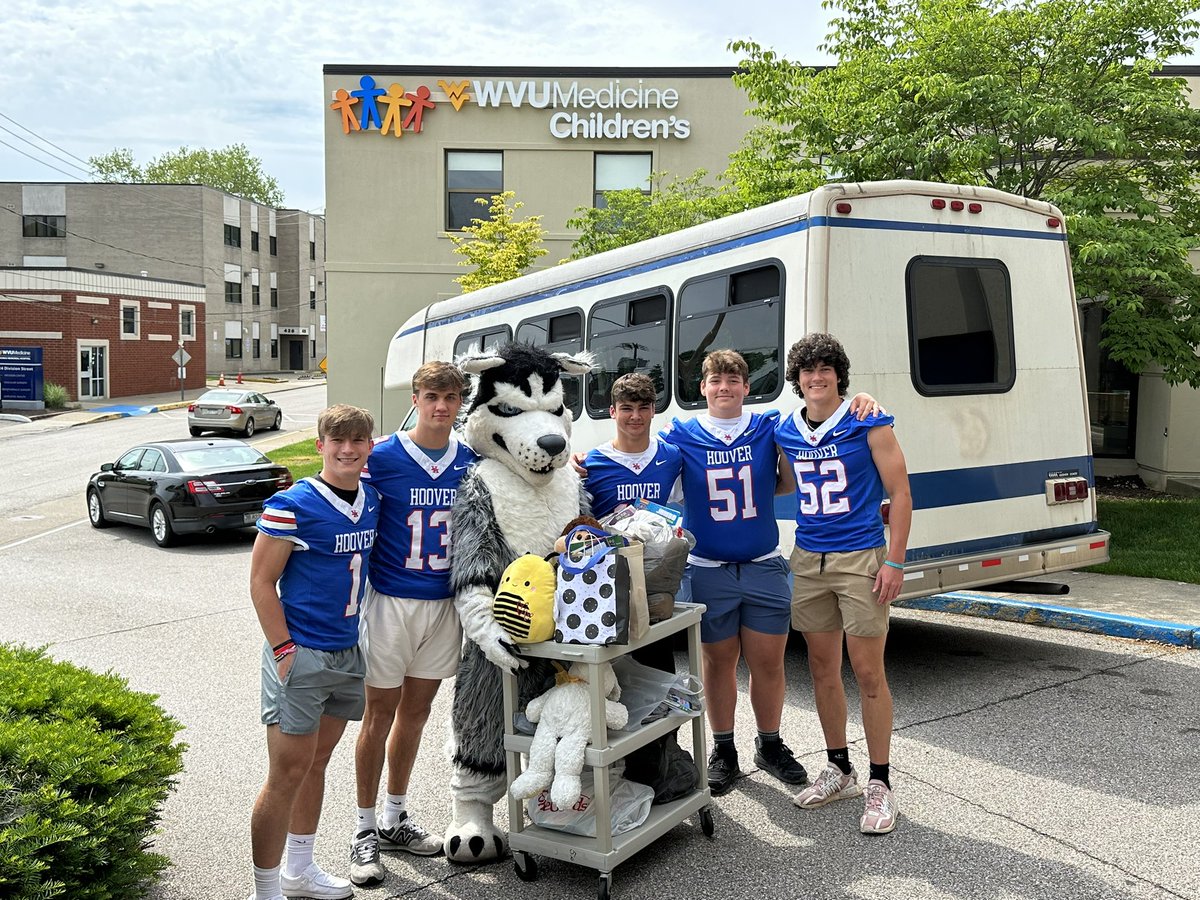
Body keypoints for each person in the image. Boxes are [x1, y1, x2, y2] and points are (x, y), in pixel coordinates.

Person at [774, 333, 912, 835]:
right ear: (797, 379)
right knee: (820, 667)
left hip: (861, 557)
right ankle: (840, 767)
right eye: (807, 370)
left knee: (869, 672)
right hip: (810, 558)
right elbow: (770, 469)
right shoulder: (785, 428)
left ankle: (881, 780)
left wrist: (894, 561)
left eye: (825, 369)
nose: (816, 377)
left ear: (838, 375)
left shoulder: (867, 419)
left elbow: (899, 491)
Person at [660, 350, 810, 796]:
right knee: (718, 663)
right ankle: (724, 748)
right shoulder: (681, 434)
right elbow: (643, 457)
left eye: (733, 379)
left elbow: (790, 474)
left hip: (763, 565)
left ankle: (770, 744)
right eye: (715, 379)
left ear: (747, 387)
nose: (724, 386)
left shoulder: (767, 427)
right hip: (708, 568)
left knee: (768, 662)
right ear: (702, 388)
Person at [348, 361, 476, 886]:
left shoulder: (471, 458)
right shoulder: (381, 457)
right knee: (378, 715)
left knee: (417, 713)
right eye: (431, 396)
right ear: (416, 399)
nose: (441, 406)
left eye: (450, 397)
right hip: (390, 602)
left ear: (459, 401)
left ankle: (396, 818)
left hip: (444, 604)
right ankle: (362, 829)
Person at [248, 404, 379, 900]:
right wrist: (284, 649)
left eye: (357, 441)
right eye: (337, 441)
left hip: (346, 652)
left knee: (317, 764)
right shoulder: (293, 503)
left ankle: (299, 871)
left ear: (369, 445)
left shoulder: (371, 499)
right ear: (320, 445)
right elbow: (261, 583)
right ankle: (265, 891)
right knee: (285, 774)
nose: (347, 450)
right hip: (302, 652)